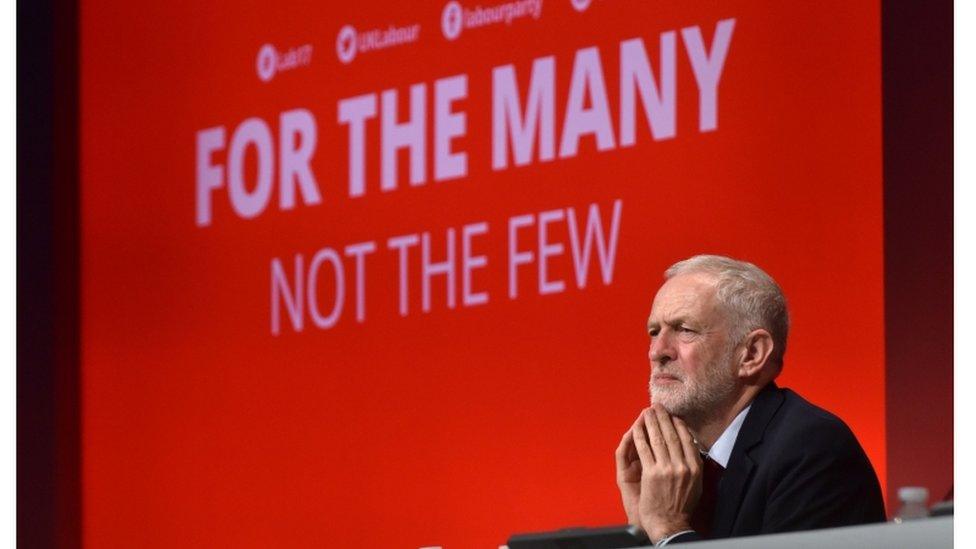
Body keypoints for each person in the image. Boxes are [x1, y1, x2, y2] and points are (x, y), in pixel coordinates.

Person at [615, 255, 885, 545]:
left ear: (752, 354)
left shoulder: (813, 451)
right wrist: (642, 533)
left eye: (684, 330)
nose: (658, 351)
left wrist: (669, 528)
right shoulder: (681, 472)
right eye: (654, 332)